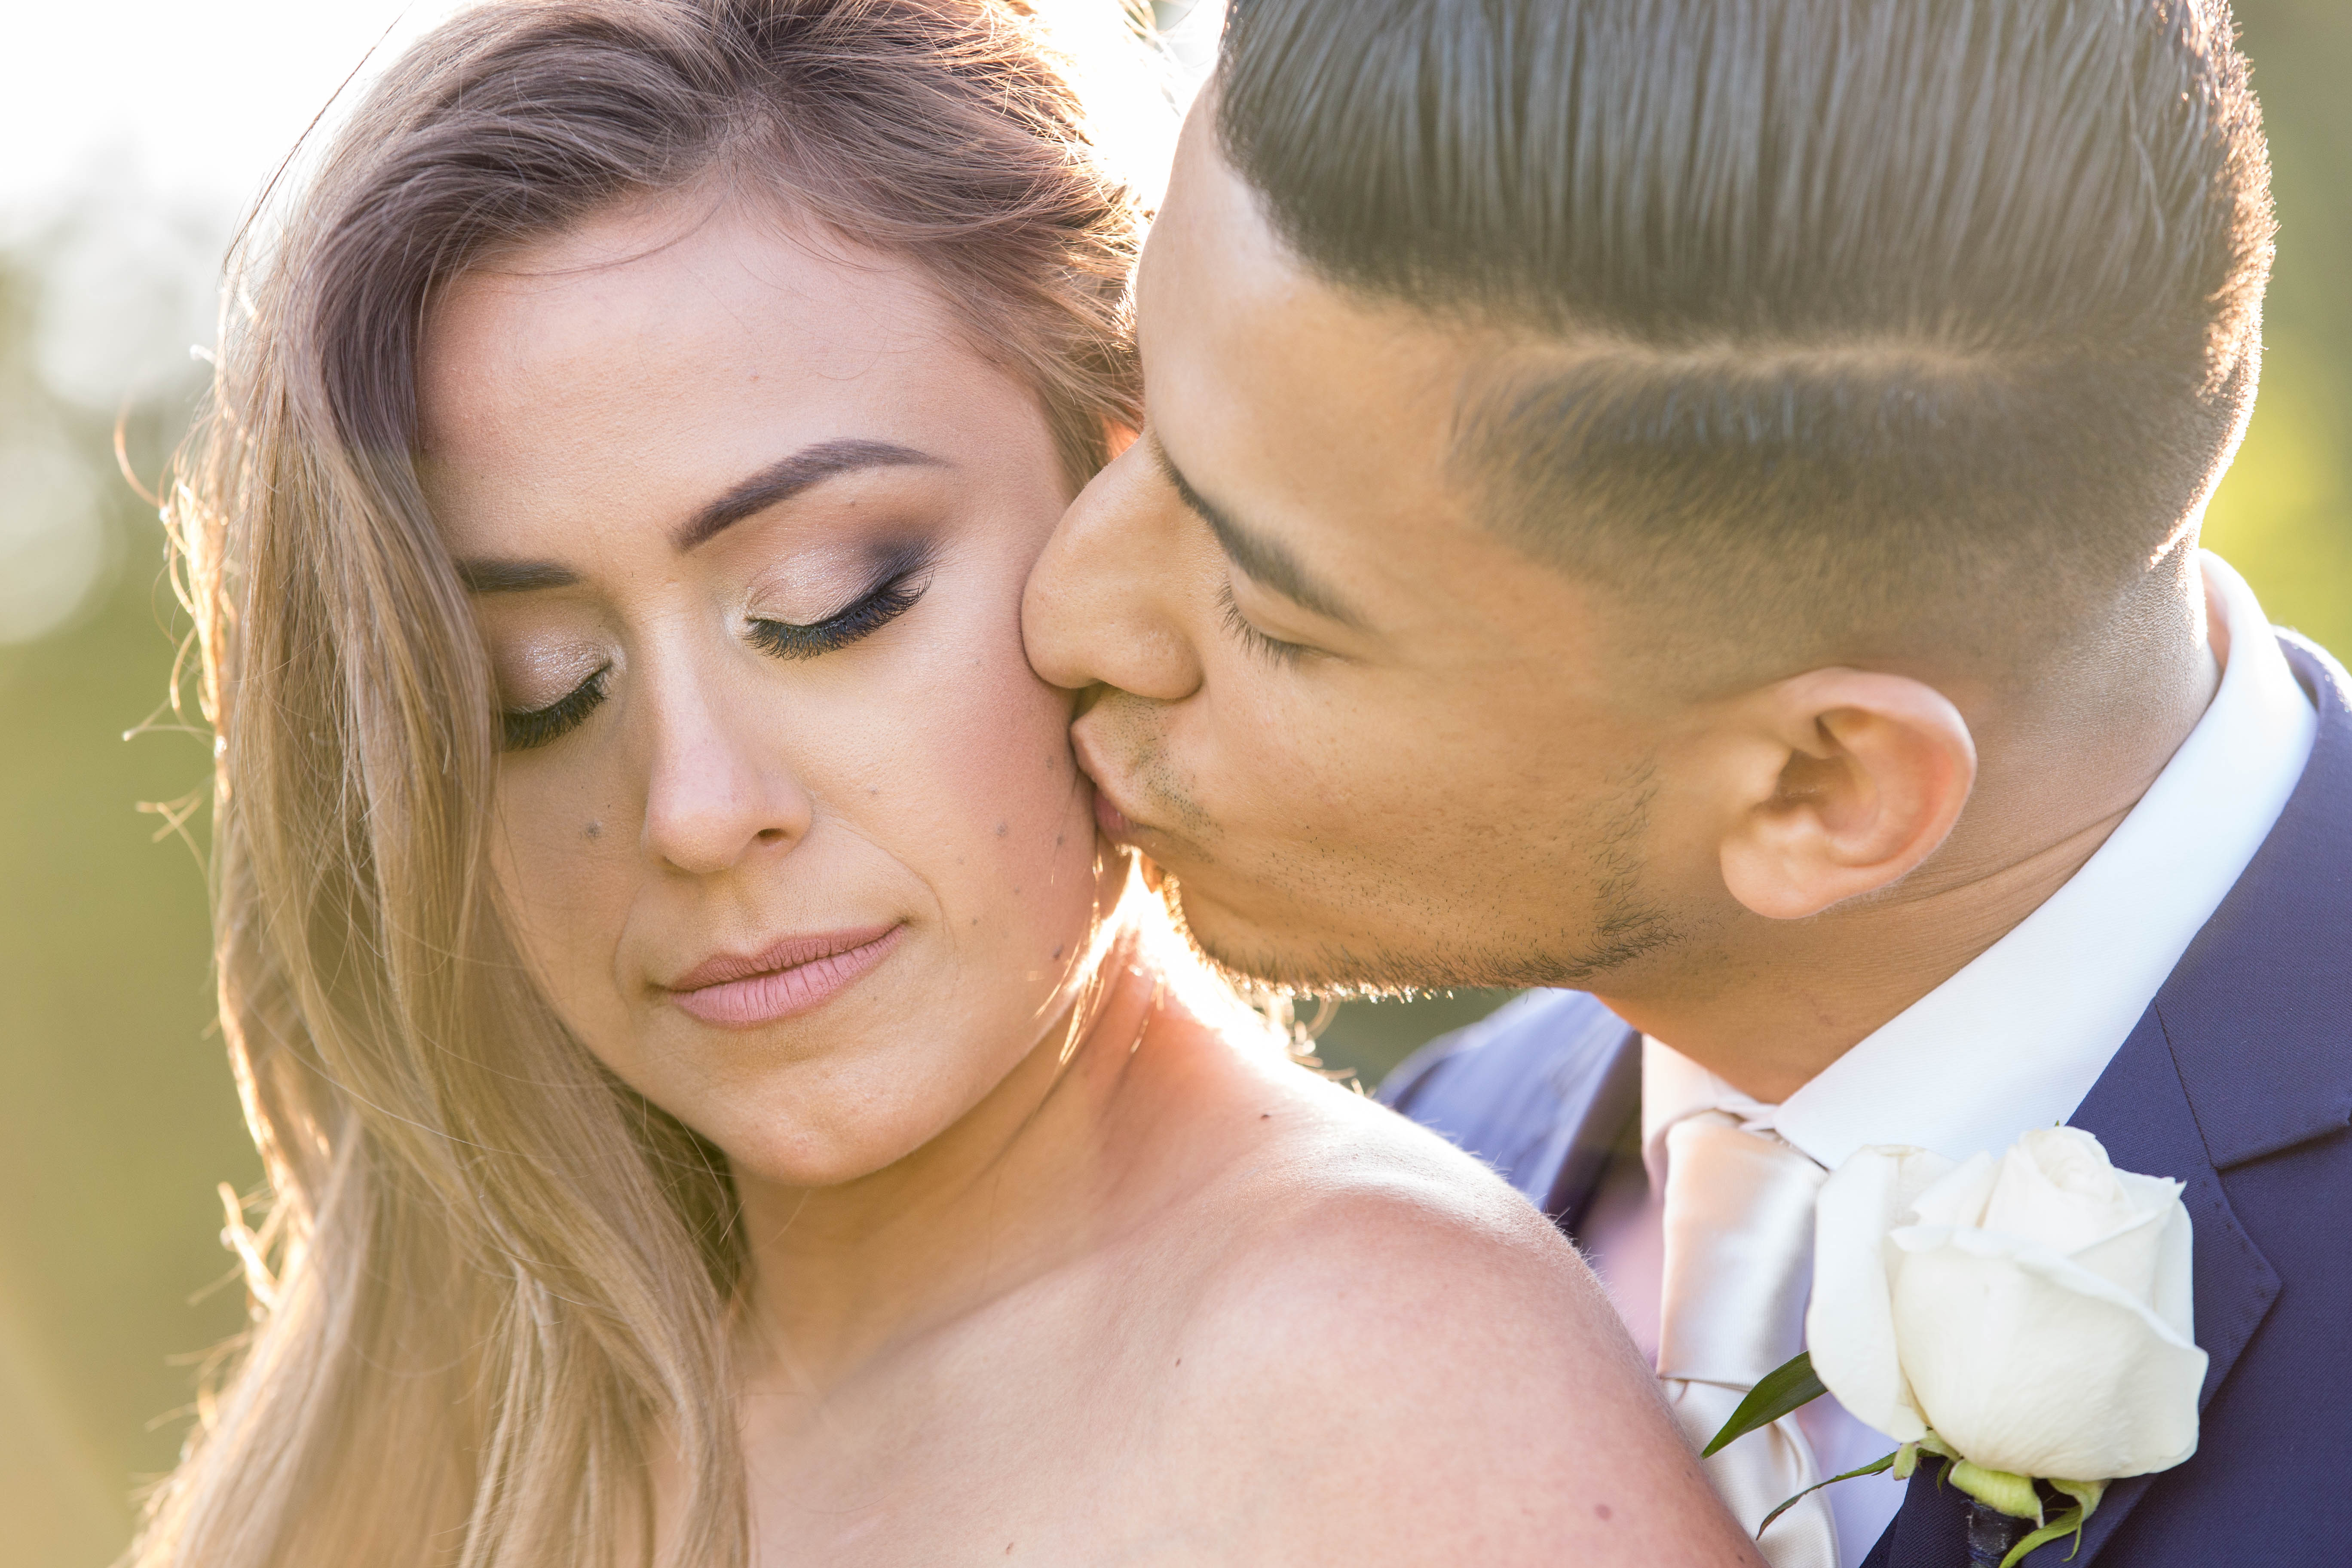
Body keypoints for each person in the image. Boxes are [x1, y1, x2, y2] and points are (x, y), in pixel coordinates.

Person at [134, 3, 1758, 1565]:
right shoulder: (446, 1429)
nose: (696, 810)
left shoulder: (1376, 1378)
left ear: (1124, 499)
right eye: (530, 697)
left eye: (830, 600)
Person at [1023, 0, 2349, 1565]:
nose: (1065, 608)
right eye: (1130, 411)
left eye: (1275, 610)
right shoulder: (1430, 1150)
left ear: (1820, 789)